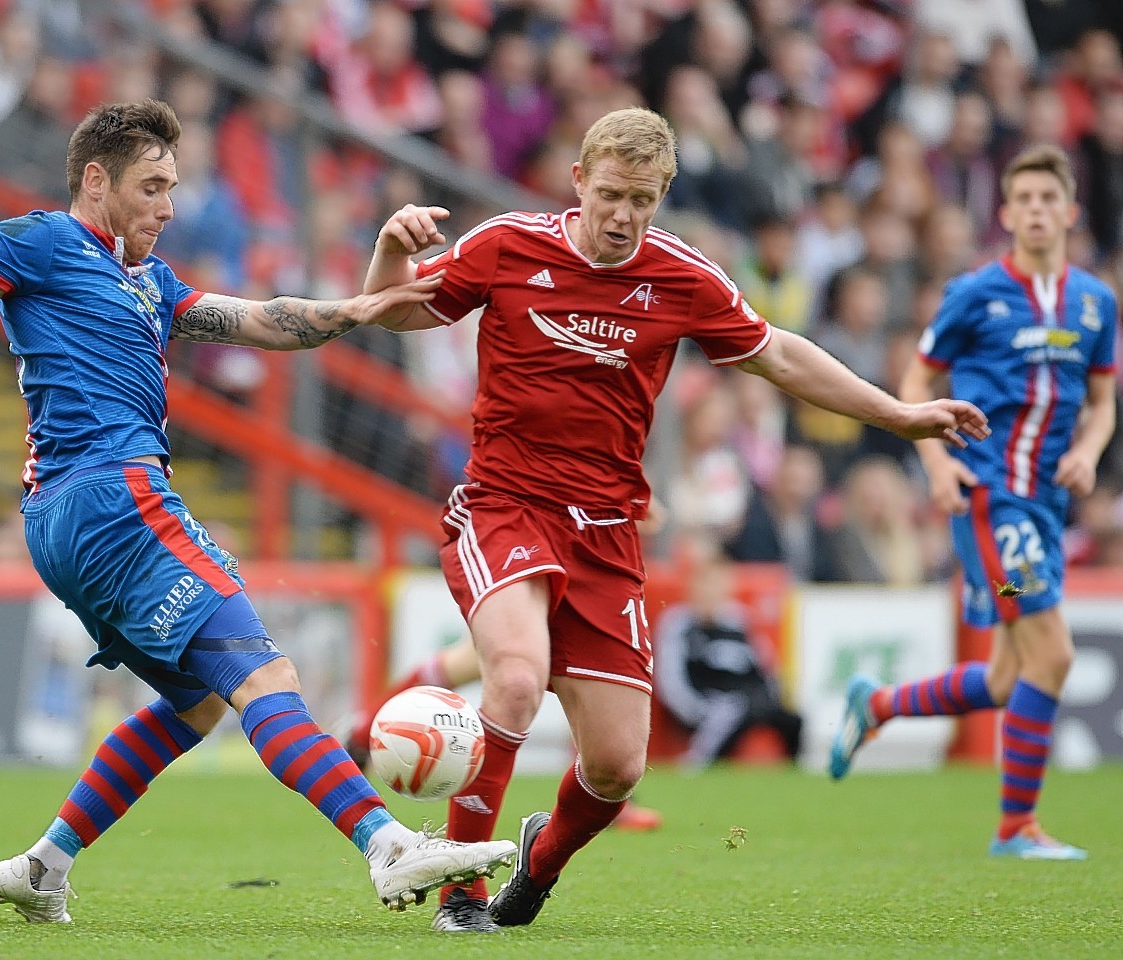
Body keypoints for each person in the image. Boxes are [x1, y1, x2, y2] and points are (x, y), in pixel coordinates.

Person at [0, 98, 516, 923]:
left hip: (66, 518)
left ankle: (44, 863)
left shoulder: (151, 281)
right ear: (95, 179)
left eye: (173, 187)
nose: (167, 205)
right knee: (267, 676)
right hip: (111, 496)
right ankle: (388, 844)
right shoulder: (40, 241)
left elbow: (271, 323)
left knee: (195, 702)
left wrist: (375, 288)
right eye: (152, 186)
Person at [362, 106, 989, 933]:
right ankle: (462, 895)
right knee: (513, 678)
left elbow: (778, 353)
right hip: (503, 506)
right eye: (612, 194)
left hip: (608, 531)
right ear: (579, 181)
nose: (624, 216)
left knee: (618, 767)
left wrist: (897, 414)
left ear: (662, 196)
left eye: (644, 201)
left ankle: (536, 863)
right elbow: (391, 310)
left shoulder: (680, 274)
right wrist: (387, 254)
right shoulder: (508, 244)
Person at [830, 144, 1117, 861]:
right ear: (1006, 212)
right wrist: (932, 462)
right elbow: (914, 376)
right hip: (991, 500)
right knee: (1050, 656)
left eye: (1048, 199)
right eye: (1022, 199)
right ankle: (1014, 828)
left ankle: (877, 705)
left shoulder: (1094, 301)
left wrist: (1087, 450)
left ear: (1069, 211)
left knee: (1005, 677)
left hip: (1045, 506)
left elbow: (1105, 398)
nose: (1035, 211)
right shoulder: (974, 293)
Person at [654, 537, 801, 770]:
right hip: (708, 705)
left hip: (747, 702)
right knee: (727, 714)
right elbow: (670, 681)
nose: (710, 591)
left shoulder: (740, 620)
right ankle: (695, 766)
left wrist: (770, 700)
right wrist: (699, 710)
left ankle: (792, 774)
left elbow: (767, 668)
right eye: (704, 583)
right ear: (692, 585)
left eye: (716, 583)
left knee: (794, 720)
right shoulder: (678, 624)